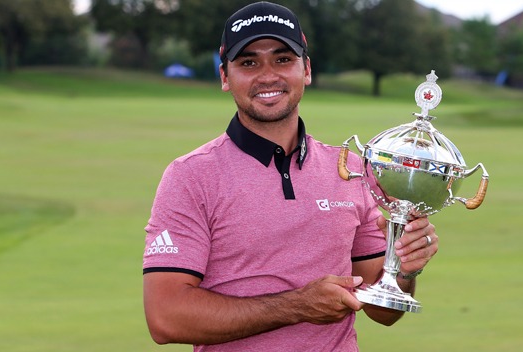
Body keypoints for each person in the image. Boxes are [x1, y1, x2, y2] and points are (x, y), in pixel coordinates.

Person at [142, 2, 438, 351]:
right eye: (248, 62)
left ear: (306, 69)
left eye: (283, 59)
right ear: (225, 76)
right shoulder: (191, 176)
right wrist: (297, 306)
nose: (268, 75)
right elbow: (166, 317)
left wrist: (403, 270)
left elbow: (381, 310)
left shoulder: (353, 169)